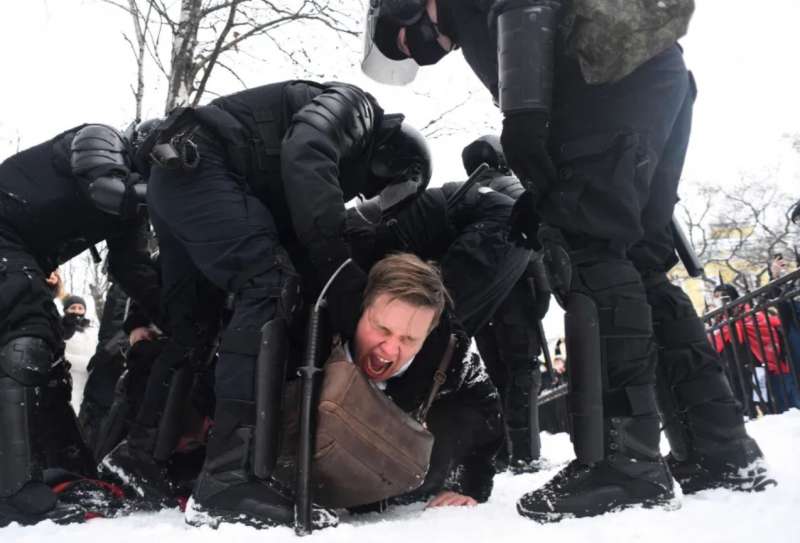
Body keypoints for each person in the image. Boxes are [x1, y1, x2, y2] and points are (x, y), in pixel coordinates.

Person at [363, 0, 774, 522]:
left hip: (610, 90)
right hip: (651, 81)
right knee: (641, 267)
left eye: (402, 39)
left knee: (587, 259)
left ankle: (622, 460)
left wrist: (524, 113)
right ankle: (720, 451)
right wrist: (540, 191)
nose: (418, 50)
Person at [140, 79, 430, 529]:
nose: (361, 198)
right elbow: (307, 150)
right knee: (270, 285)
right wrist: (337, 262)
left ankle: (143, 457)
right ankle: (229, 477)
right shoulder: (357, 107)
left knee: (193, 326)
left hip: (182, 177)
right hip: (203, 164)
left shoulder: (284, 181)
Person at [0, 121, 160, 526]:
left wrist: (172, 317)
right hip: (6, 238)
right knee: (29, 330)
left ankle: (64, 471)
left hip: (24, 255)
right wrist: (168, 197)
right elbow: (104, 188)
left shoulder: (131, 207)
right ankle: (14, 492)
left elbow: (132, 268)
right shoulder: (99, 138)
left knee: (48, 353)